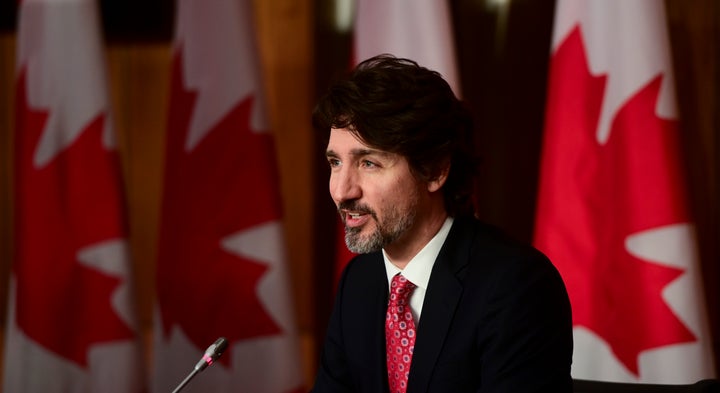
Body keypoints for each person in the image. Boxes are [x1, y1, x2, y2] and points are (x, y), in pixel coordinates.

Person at [311, 54, 572, 393]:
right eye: (335, 162)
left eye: (369, 163)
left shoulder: (516, 287)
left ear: (434, 170)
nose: (342, 191)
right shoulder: (359, 282)